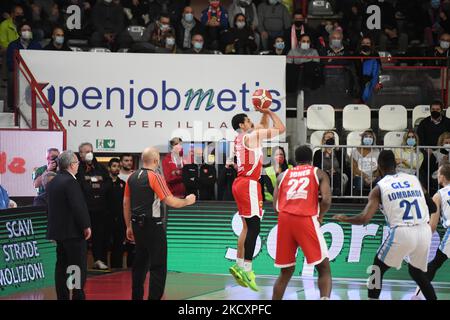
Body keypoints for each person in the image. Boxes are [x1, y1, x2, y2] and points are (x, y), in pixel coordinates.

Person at [334, 150, 437, 300]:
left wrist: (345, 219)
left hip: (402, 232)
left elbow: (364, 218)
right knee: (417, 272)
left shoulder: (379, 188)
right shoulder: (414, 179)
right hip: (424, 231)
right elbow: (433, 207)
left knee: (377, 269)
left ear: (379, 166)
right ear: (395, 164)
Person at [124, 147, 196, 300]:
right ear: (156, 161)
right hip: (153, 225)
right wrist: (188, 201)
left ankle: (136, 297)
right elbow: (170, 201)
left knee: (140, 263)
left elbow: (126, 202)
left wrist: (129, 225)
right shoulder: (155, 177)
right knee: (158, 266)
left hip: (137, 224)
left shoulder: (132, 177)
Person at [229, 109, 286, 291]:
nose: (251, 122)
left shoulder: (240, 138)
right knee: (255, 227)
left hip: (239, 183)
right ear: (242, 125)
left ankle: (238, 264)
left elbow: (262, 126)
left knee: (246, 227)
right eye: (248, 120)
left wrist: (263, 114)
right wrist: (269, 110)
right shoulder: (251, 136)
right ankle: (248, 269)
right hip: (249, 185)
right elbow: (281, 128)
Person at [272, 145, 332, 300]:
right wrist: (320, 215)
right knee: (323, 267)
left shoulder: (283, 175)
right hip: (305, 218)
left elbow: (275, 206)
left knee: (286, 271)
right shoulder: (318, 172)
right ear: (311, 159)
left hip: (284, 220)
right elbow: (326, 200)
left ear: (295, 160)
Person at [47, 150, 91, 300]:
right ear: (72, 164)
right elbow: (78, 206)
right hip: (73, 232)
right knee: (77, 267)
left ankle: (63, 296)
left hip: (59, 232)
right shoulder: (71, 181)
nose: (78, 166)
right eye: (77, 163)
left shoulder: (53, 182)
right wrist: (86, 225)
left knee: (61, 267)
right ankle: (78, 295)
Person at [414, 163, 450, 299]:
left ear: (442, 177)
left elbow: (433, 225)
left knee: (434, 264)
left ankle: (417, 294)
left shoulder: (439, 195)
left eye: (438, 174)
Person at [76, 142, 110, 270]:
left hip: (100, 208)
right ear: (80, 154)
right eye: (86, 151)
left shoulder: (101, 168)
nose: (89, 153)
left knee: (99, 235)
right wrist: (90, 186)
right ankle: (81, 262)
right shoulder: (77, 168)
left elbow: (107, 183)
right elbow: (79, 186)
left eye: (90, 150)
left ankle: (98, 260)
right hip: (85, 209)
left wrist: (97, 187)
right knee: (83, 236)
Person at [417, 100, 450, 192]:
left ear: (442, 110)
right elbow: (420, 139)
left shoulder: (448, 122)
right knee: (425, 163)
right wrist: (426, 149)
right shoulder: (424, 123)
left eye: (437, 109)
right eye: (433, 109)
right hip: (428, 153)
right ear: (430, 110)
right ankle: (429, 192)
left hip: (445, 152)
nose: (435, 111)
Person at [105, 158, 126, 269]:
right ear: (109, 168)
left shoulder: (123, 184)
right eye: (114, 166)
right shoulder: (104, 183)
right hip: (106, 219)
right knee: (104, 243)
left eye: (118, 166)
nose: (117, 168)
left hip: (120, 219)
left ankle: (117, 268)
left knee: (118, 245)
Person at [313, 131, 349, 196]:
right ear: (324, 140)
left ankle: (337, 194)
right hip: (323, 174)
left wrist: (336, 170)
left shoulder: (339, 153)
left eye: (332, 138)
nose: (331, 139)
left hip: (337, 173)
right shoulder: (318, 153)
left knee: (336, 176)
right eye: (328, 137)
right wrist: (325, 171)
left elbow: (344, 167)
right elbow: (316, 167)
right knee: (325, 176)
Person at [351, 129, 380, 196]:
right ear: (362, 139)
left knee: (379, 181)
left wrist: (373, 177)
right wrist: (366, 177)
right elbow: (354, 168)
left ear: (373, 139)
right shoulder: (355, 151)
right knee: (359, 180)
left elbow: (379, 168)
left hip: (374, 177)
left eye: (370, 137)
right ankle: (357, 202)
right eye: (366, 136)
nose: (368, 138)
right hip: (360, 176)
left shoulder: (377, 152)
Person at [354, 36, 381, 104]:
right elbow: (355, 70)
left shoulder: (375, 54)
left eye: (368, 43)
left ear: (371, 44)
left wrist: (376, 82)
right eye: (363, 43)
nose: (365, 45)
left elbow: (378, 69)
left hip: (372, 81)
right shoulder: (356, 54)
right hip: (359, 82)